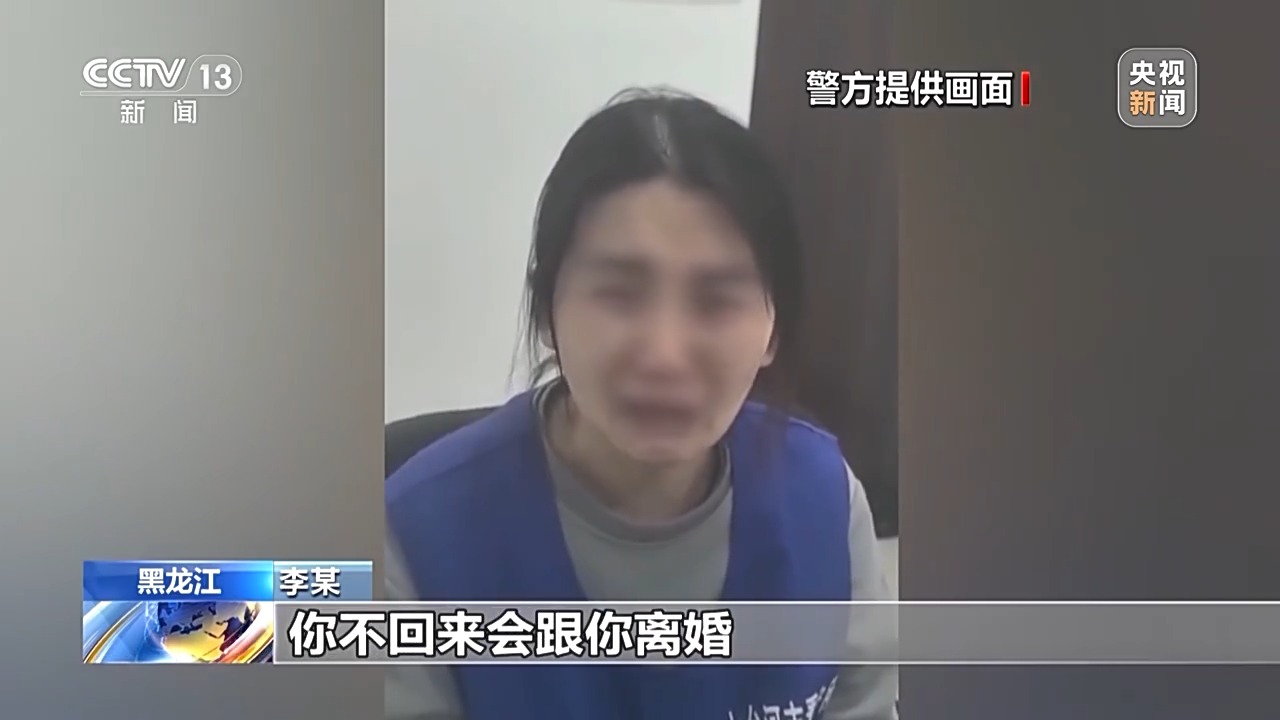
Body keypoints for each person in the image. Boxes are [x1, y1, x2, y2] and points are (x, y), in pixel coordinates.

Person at [385, 88, 898, 720]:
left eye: (717, 299)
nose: (664, 355)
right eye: (620, 293)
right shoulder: (412, 539)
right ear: (547, 311)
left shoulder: (824, 499)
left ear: (773, 331)